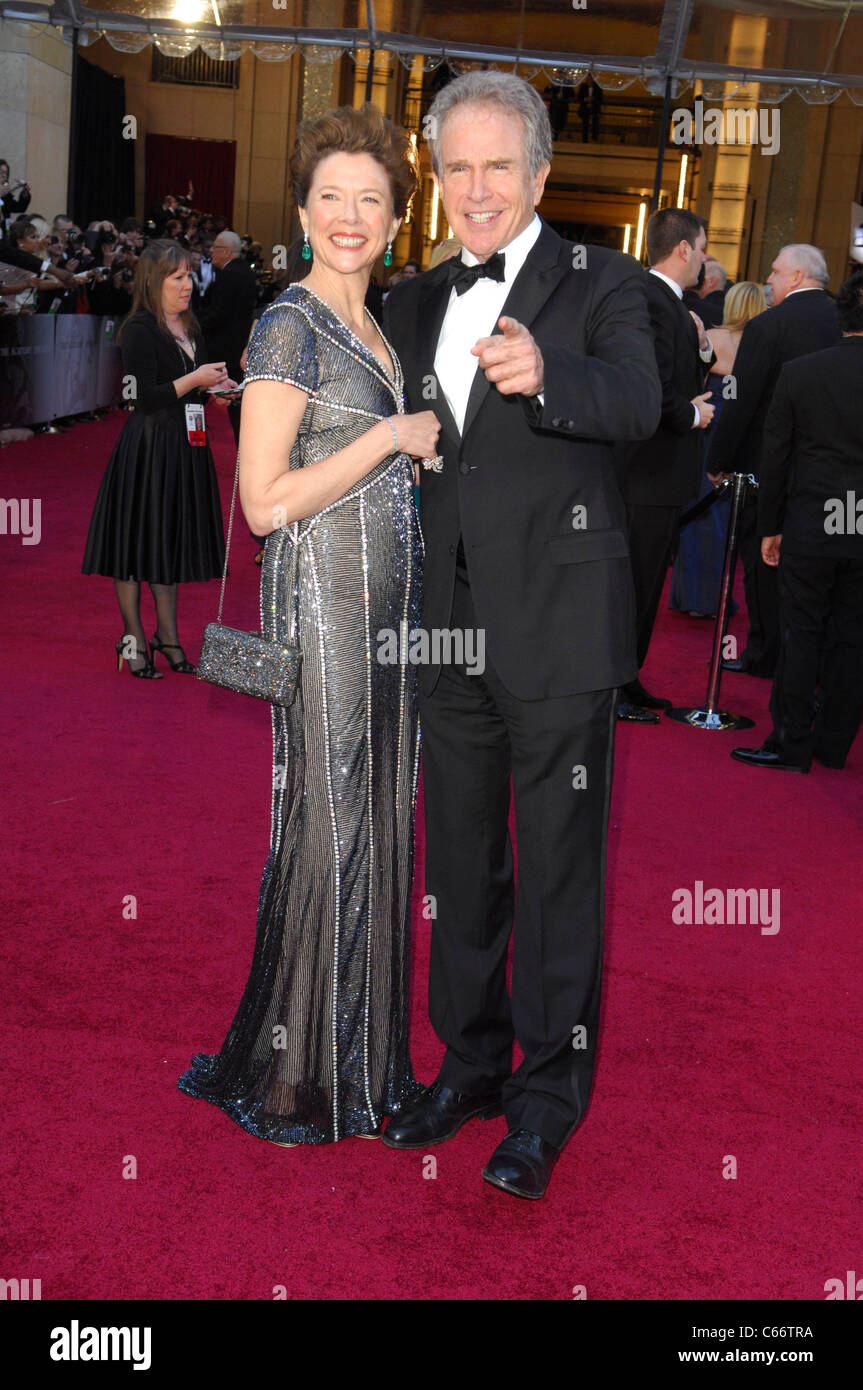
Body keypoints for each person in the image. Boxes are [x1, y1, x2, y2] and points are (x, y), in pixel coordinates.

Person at [383, 71, 661, 1200]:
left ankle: (545, 1100)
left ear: (539, 175)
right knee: (459, 863)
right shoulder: (410, 298)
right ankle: (470, 1060)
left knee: (554, 876)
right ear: (436, 180)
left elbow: (639, 404)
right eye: (458, 167)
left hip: (556, 633)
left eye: (500, 165)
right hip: (442, 632)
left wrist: (551, 378)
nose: (478, 188)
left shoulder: (605, 285)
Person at [177, 103, 440, 1146]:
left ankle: (365, 1060)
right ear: (300, 208)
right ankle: (303, 1074)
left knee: (377, 811)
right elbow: (261, 500)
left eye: (369, 198)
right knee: (332, 817)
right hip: (324, 602)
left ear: (391, 219)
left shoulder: (373, 323)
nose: (349, 213)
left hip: (386, 611)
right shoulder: (289, 320)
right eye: (330, 195)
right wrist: (384, 440)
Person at [731, 269, 863, 773]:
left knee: (801, 631)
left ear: (840, 314)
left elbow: (776, 456)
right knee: (853, 634)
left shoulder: (804, 372)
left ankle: (790, 743)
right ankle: (833, 745)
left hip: (812, 518)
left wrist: (770, 527)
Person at [81, 239, 229, 677]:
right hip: (149, 448)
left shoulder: (191, 326)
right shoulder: (138, 329)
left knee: (168, 543)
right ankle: (133, 641)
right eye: (178, 277)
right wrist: (194, 380)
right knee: (134, 546)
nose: (188, 285)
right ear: (154, 281)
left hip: (186, 447)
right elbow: (141, 397)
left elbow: (190, 388)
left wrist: (215, 388)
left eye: (189, 276)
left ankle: (168, 637)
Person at [709, 244, 841, 678]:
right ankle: (815, 660)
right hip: (836, 477)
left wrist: (719, 458)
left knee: (762, 561)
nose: (769, 280)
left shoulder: (769, 326)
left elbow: (739, 399)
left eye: (776, 272)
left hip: (769, 469)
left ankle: (765, 652)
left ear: (798, 276)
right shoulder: (845, 323)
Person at [614, 207, 715, 722]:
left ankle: (626, 680)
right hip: (645, 473)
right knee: (632, 584)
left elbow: (674, 370)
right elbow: (648, 386)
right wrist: (692, 415)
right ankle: (613, 687)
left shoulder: (669, 303)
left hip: (656, 476)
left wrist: (700, 347)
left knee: (644, 583)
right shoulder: (650, 299)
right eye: (701, 247)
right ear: (682, 249)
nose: (705, 258)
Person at [670, 280, 766, 617]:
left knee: (697, 510)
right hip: (741, 430)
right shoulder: (763, 344)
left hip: (708, 422)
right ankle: (713, 598)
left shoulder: (713, 338)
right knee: (725, 518)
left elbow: (689, 379)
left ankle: (692, 597)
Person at [197, 229, 257, 444]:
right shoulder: (246, 272)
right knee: (235, 400)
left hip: (222, 348)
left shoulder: (229, 274)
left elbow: (218, 313)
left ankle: (188, 439)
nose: (212, 251)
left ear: (228, 251)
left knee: (201, 395)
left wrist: (194, 327)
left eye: (217, 247)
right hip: (236, 346)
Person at [577, 74, 603, 142]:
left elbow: (600, 98)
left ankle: (595, 137)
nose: (589, 80)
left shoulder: (597, 87)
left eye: (590, 79)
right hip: (585, 108)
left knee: (595, 122)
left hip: (594, 108)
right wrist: (585, 99)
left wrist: (593, 99)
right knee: (585, 123)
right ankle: (584, 138)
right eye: (588, 79)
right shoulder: (583, 86)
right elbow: (579, 97)